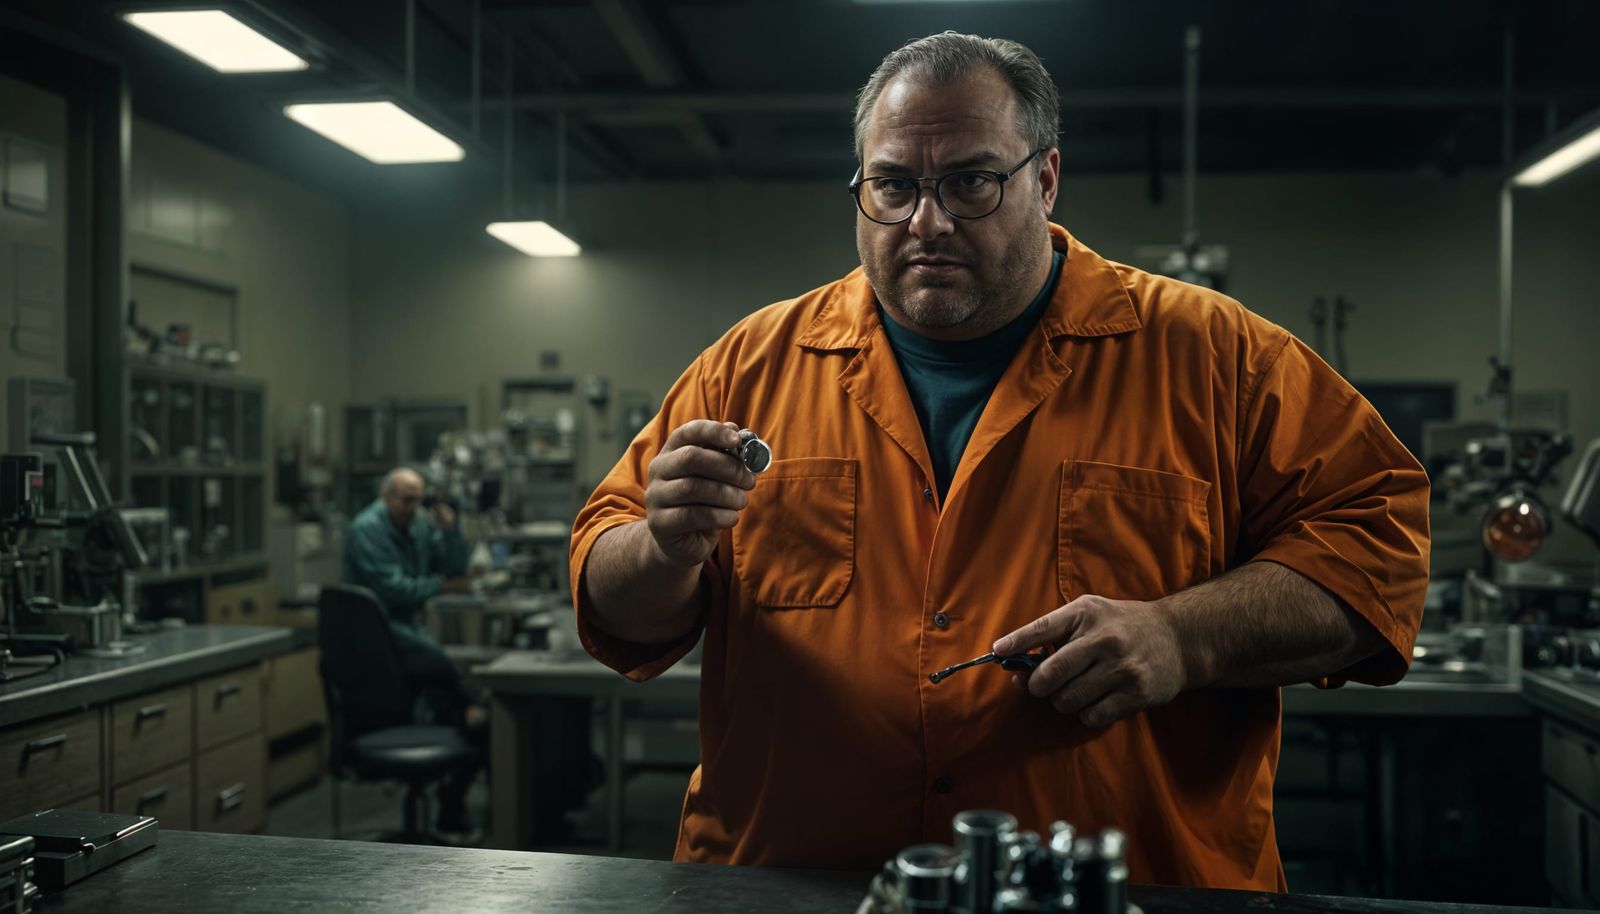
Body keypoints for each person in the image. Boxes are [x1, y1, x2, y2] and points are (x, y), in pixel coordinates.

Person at [569, 32, 1428, 889]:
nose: (927, 222)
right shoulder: (750, 366)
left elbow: (1380, 550)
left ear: (1045, 180)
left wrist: (1183, 635)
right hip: (786, 888)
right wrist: (662, 550)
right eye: (894, 186)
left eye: (971, 183)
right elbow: (614, 594)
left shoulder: (1217, 359)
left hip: (1126, 892)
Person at [342, 466, 483, 835]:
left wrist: (450, 530)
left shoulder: (419, 524)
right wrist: (442, 586)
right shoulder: (367, 530)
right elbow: (395, 590)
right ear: (385, 496)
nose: (413, 507)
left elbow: (453, 565)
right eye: (406, 500)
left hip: (410, 632)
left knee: (466, 715)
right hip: (378, 636)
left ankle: (452, 797)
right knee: (447, 676)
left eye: (418, 500)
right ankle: (465, 717)